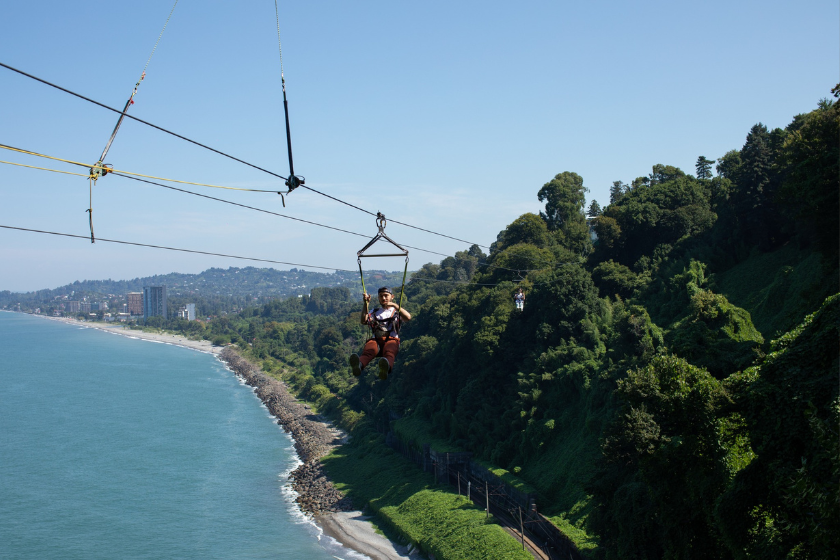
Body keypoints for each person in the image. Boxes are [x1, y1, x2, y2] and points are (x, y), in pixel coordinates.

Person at [349, 286, 412, 380]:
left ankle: (386, 368)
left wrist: (395, 305)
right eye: (381, 296)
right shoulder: (375, 312)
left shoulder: (396, 312)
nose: (383, 298)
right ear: (378, 298)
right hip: (376, 340)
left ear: (392, 296)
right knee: (369, 351)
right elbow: (364, 321)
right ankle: (359, 365)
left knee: (389, 352)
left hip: (392, 339)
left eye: (386, 296)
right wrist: (365, 304)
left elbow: (408, 317)